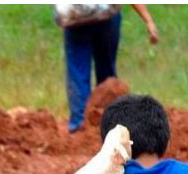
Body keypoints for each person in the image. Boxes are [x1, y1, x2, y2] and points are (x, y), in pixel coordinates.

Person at [57, 4, 158, 133]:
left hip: (76, 16)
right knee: (107, 74)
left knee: (78, 74)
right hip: (107, 16)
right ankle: (110, 124)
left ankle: (79, 125)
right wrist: (148, 20)